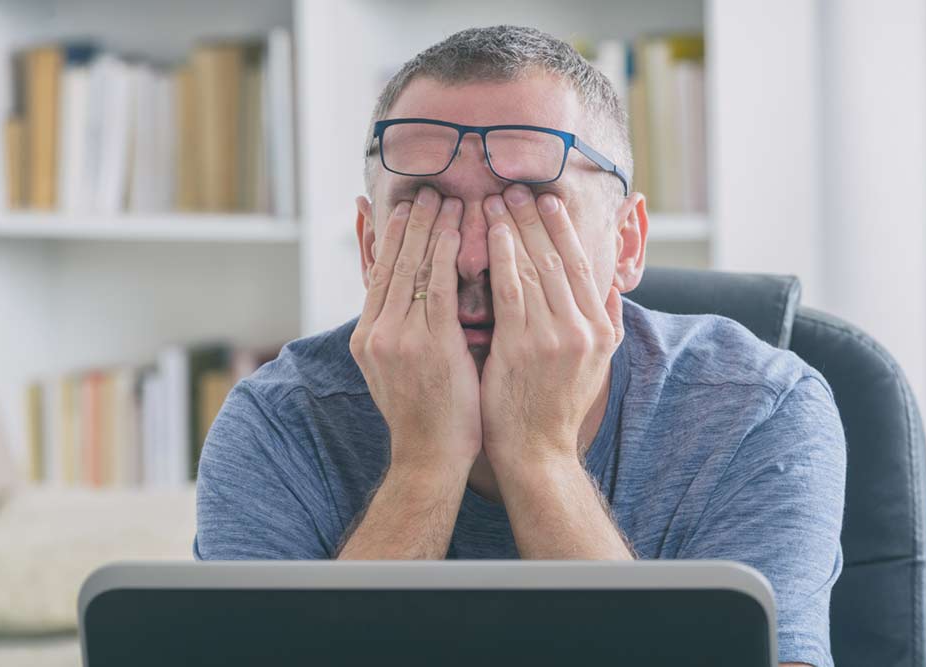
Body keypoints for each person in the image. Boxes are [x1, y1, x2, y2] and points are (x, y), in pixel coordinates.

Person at [194, 25, 846, 667]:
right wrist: (425, 465)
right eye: (425, 206)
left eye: (528, 205)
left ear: (627, 243)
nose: (475, 258)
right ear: (370, 247)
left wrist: (541, 459)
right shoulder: (276, 423)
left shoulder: (758, 412)